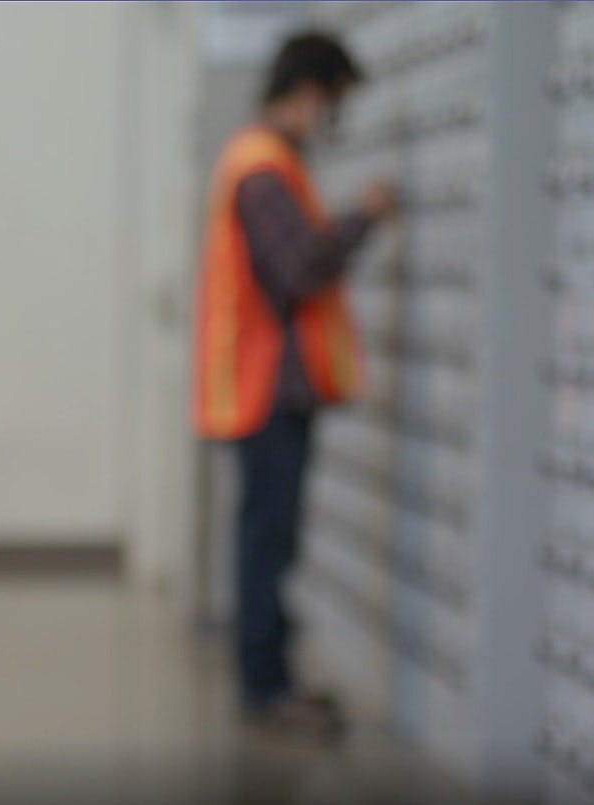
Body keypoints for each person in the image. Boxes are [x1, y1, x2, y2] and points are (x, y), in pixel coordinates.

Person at [193, 31, 397, 736]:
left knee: (269, 534)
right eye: (334, 103)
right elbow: (299, 268)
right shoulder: (263, 167)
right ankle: (265, 684)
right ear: (310, 91)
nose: (332, 118)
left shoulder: (267, 162)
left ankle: (270, 675)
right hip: (265, 387)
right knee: (267, 538)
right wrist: (363, 217)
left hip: (269, 386)